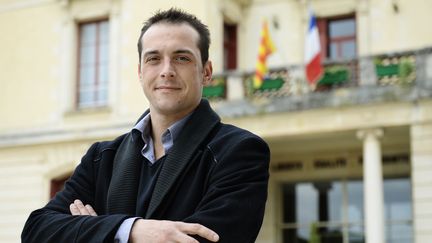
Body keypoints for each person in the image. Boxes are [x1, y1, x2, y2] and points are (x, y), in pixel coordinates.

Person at [22, 8, 270, 243]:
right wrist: (132, 230)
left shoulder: (240, 152)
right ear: (140, 71)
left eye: (181, 58)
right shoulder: (101, 158)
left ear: (206, 72)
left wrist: (94, 231)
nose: (166, 70)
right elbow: (37, 230)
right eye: (153, 59)